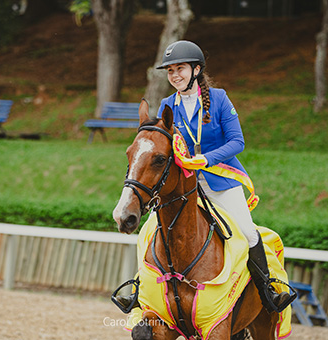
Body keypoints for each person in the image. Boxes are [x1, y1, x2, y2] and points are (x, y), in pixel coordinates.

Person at [115, 40, 295, 314]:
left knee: (247, 232)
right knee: (151, 232)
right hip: (183, 185)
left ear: (196, 69)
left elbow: (237, 141)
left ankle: (268, 290)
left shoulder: (219, 98)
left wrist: (206, 159)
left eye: (180, 69)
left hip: (221, 181)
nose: (175, 75)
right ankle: (139, 291)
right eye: (171, 71)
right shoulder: (167, 104)